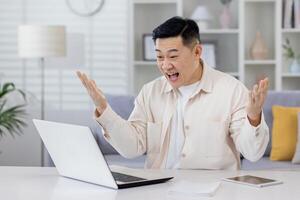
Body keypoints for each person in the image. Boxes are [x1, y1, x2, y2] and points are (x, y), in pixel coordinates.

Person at [77, 16, 269, 170]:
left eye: (173, 56)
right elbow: (131, 147)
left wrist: (253, 117)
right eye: (159, 57)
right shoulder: (150, 92)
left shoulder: (231, 90)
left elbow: (253, 153)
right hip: (159, 189)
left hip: (215, 191)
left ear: (197, 52)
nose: (165, 65)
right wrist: (103, 109)